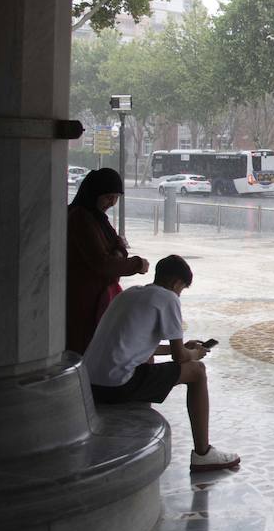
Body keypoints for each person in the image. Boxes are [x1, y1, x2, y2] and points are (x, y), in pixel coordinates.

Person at [82, 255, 241, 472]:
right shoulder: (167, 298)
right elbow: (180, 357)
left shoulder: (129, 294)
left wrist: (186, 347)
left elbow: (140, 346)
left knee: (150, 360)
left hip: (90, 385)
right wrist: (195, 354)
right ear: (177, 283)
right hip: (117, 386)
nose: (179, 295)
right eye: (182, 289)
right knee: (198, 372)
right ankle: (203, 453)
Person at [67, 167, 148, 354]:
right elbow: (102, 263)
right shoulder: (80, 218)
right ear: (94, 193)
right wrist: (137, 264)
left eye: (116, 197)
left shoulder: (96, 218)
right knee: (86, 349)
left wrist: (117, 255)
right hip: (84, 300)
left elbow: (118, 246)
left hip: (96, 296)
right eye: (107, 197)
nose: (111, 203)